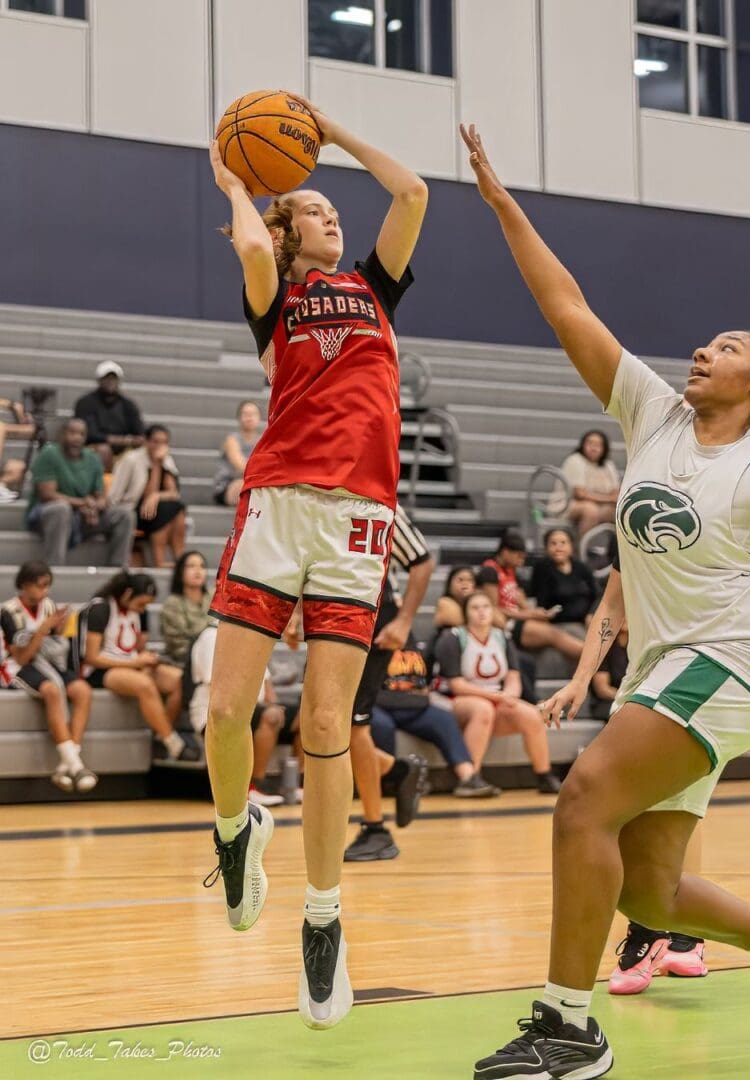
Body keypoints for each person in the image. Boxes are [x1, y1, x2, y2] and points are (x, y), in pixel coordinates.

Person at [462, 121, 750, 1077]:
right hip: (666, 664)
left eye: (723, 347)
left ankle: (567, 1027)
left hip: (730, 663)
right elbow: (568, 310)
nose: (699, 349)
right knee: (650, 889)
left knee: (583, 800)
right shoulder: (652, 412)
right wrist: (504, 206)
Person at [204, 92, 427, 1032]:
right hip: (279, 504)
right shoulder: (276, 293)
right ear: (284, 231)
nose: (330, 212)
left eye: (334, 206)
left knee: (327, 722)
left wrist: (330, 134)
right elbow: (254, 249)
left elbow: (411, 190)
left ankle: (324, 917)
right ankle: (234, 828)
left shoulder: (374, 286)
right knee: (223, 710)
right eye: (312, 209)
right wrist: (232, 172)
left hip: (360, 519)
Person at [552, 554, 750, 997]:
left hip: (714, 673)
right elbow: (611, 605)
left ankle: (641, 952)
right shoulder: (638, 504)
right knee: (648, 880)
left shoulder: (743, 495)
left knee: (590, 803)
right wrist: (580, 679)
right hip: (645, 680)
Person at [343, 504, 434, 863]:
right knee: (322, 725)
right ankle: (396, 769)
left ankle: (375, 828)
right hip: (336, 616)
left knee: (352, 726)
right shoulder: (319, 490)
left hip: (374, 616)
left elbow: (422, 561)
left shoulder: (380, 501)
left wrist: (405, 621)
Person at [434, 591, 561, 794]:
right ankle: (470, 778)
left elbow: (513, 677)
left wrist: (510, 695)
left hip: (494, 699)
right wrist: (498, 697)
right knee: (483, 709)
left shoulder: (502, 637)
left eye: (486, 607)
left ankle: (544, 776)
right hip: (455, 701)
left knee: (531, 715)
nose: (481, 613)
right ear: (466, 613)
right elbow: (457, 685)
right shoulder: (453, 637)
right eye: (475, 608)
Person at [79, 571, 199, 762]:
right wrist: (134, 663)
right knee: (144, 685)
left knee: (177, 679)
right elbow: (91, 657)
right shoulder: (100, 609)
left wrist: (146, 658)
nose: (143, 609)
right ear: (127, 595)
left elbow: (137, 648)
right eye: (141, 603)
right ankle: (174, 743)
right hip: (100, 670)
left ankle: (159, 737)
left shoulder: (140, 614)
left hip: (130, 663)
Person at [0, 560, 97, 793]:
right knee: (51, 690)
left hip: (49, 663)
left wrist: (62, 627)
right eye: (40, 586)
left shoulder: (50, 606)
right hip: (16, 666)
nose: (45, 592)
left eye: (47, 586)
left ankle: (66, 764)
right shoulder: (8, 612)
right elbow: (22, 658)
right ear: (25, 585)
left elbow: (58, 644)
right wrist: (43, 629)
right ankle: (76, 764)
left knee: (82, 691)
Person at [371, 643, 500, 799]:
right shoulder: (371, 637)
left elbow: (423, 678)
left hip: (413, 705)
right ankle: (391, 780)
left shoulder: (411, 639)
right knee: (382, 726)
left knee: (443, 719)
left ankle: (467, 777)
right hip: (376, 705)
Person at [189, 625, 294, 807]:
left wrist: (273, 704)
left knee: (302, 717)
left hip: (254, 708)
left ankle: (299, 782)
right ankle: (254, 787)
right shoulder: (211, 636)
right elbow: (218, 686)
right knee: (271, 716)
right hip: (213, 712)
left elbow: (268, 686)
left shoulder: (252, 638)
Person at [26, 418, 134, 567]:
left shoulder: (93, 458)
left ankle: (117, 570)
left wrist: (96, 506)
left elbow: (100, 495)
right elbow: (48, 495)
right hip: (47, 513)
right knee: (61, 509)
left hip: (82, 515)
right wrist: (82, 503)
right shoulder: (49, 454)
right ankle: (54, 568)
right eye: (72, 433)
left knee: (124, 514)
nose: (77, 438)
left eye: (82, 434)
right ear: (63, 434)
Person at [478, 529, 585, 670]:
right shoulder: (489, 572)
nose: (521, 562)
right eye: (518, 557)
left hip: (518, 619)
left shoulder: (511, 570)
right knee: (555, 635)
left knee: (556, 629)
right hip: (504, 625)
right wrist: (529, 615)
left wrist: (536, 613)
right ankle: (596, 657)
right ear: (505, 552)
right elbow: (493, 610)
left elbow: (520, 600)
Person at [108, 424, 186, 568]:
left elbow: (173, 494)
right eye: (156, 441)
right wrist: (156, 465)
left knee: (176, 509)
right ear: (146, 441)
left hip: (153, 511)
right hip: (130, 510)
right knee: (166, 510)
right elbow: (117, 496)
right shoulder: (131, 459)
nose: (159, 446)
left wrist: (156, 496)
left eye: (164, 442)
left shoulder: (167, 459)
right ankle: (160, 562)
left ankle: (180, 559)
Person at [73, 361, 145, 470]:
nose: (110, 382)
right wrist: (119, 440)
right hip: (94, 446)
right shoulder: (86, 403)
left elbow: (139, 431)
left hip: (124, 448)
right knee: (103, 450)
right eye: (107, 378)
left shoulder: (128, 405)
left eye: (113, 379)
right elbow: (89, 433)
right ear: (99, 380)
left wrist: (133, 441)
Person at [561, 429, 620, 537]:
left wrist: (611, 499)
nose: (593, 448)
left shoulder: (608, 465)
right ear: (583, 445)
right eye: (590, 443)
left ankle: (615, 550)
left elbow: (616, 492)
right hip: (567, 504)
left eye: (598, 445)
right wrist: (609, 499)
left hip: (599, 506)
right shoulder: (575, 460)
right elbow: (580, 494)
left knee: (620, 511)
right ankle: (581, 549)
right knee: (590, 510)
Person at [160, 551, 212, 668]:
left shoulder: (214, 597)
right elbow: (178, 645)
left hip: (215, 656)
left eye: (202, 566)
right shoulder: (173, 603)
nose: (198, 571)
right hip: (185, 662)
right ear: (180, 572)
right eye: (191, 566)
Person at [213, 400, 264, 506]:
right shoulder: (232, 440)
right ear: (239, 417)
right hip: (229, 485)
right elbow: (243, 468)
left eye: (253, 414)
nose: (249, 417)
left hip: (254, 483)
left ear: (259, 417)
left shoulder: (262, 440)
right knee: (246, 487)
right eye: (245, 414)